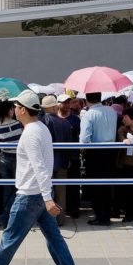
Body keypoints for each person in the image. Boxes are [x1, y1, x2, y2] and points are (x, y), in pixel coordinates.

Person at [0, 90, 84, 265]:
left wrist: (47, 198)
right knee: (54, 240)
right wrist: (47, 196)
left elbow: (39, 167)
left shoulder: (30, 133)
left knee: (10, 239)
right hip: (39, 193)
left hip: (30, 194)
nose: (14, 109)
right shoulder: (41, 128)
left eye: (16, 106)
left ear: (22, 110)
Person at [80, 92, 120, 225]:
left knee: (96, 185)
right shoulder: (112, 111)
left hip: (95, 152)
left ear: (86, 100)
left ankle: (100, 216)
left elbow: (84, 139)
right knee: (107, 185)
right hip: (111, 151)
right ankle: (106, 215)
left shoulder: (89, 114)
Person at [41, 95, 75, 225]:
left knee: (47, 192)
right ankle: (60, 219)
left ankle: (48, 220)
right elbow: (70, 144)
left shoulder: (42, 122)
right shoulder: (65, 123)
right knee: (61, 193)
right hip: (63, 162)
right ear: (55, 107)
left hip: (46, 163)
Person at [0, 100, 23, 228]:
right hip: (17, 158)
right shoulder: (18, 124)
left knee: (7, 189)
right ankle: (9, 217)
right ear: (9, 111)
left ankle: (5, 218)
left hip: (3, 158)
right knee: (18, 188)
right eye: (12, 109)